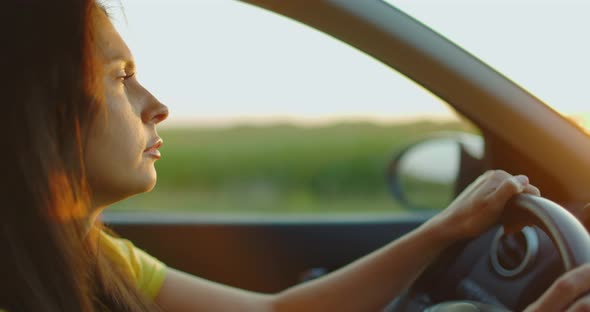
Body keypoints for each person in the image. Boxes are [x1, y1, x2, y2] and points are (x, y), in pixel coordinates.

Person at [1, 1, 589, 311]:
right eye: (121, 76)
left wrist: (443, 230)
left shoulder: (95, 253)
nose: (157, 106)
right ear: (35, 103)